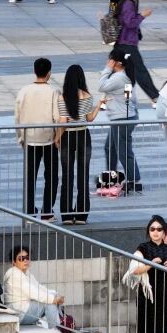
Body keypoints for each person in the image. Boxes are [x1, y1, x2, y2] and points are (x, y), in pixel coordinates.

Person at [15, 58, 61, 220]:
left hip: (29, 139)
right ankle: (47, 211)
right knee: (51, 176)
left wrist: (20, 138)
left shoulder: (24, 91)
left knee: (30, 177)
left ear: (35, 71)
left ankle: (29, 211)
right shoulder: (53, 91)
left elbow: (17, 116)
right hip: (48, 139)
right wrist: (58, 136)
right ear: (49, 73)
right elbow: (57, 117)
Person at [57, 64, 101, 225]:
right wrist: (98, 105)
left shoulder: (63, 97)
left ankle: (67, 215)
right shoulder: (87, 95)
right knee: (83, 175)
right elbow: (90, 119)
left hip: (68, 136)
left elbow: (63, 122)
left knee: (67, 176)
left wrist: (57, 137)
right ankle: (82, 215)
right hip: (83, 135)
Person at [128, 215, 167, 333]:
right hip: (147, 293)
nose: (155, 232)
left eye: (159, 229)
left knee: (161, 327)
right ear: (148, 231)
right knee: (146, 326)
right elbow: (134, 270)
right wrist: (150, 264)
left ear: (164, 232)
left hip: (163, 293)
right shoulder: (143, 248)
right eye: (152, 229)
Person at [98, 49, 142, 192]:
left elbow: (101, 86)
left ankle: (133, 179)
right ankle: (111, 176)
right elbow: (130, 97)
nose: (107, 62)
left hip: (122, 119)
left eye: (109, 60)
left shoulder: (119, 77)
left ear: (115, 62)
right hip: (123, 117)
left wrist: (107, 69)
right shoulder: (124, 76)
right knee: (110, 147)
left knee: (123, 151)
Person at [113, 0, 159, 103]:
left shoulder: (128, 1)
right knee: (140, 71)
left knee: (129, 75)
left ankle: (125, 98)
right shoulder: (128, 3)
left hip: (124, 42)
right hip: (127, 43)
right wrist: (142, 15)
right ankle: (155, 96)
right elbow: (129, 23)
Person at [4, 245, 67, 333]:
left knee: (52, 296)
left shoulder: (26, 274)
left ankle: (60, 327)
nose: (25, 260)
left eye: (27, 257)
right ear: (14, 262)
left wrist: (55, 294)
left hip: (25, 309)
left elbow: (39, 288)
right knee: (48, 302)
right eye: (21, 258)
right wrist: (53, 299)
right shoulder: (15, 275)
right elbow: (33, 292)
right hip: (18, 312)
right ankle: (55, 330)